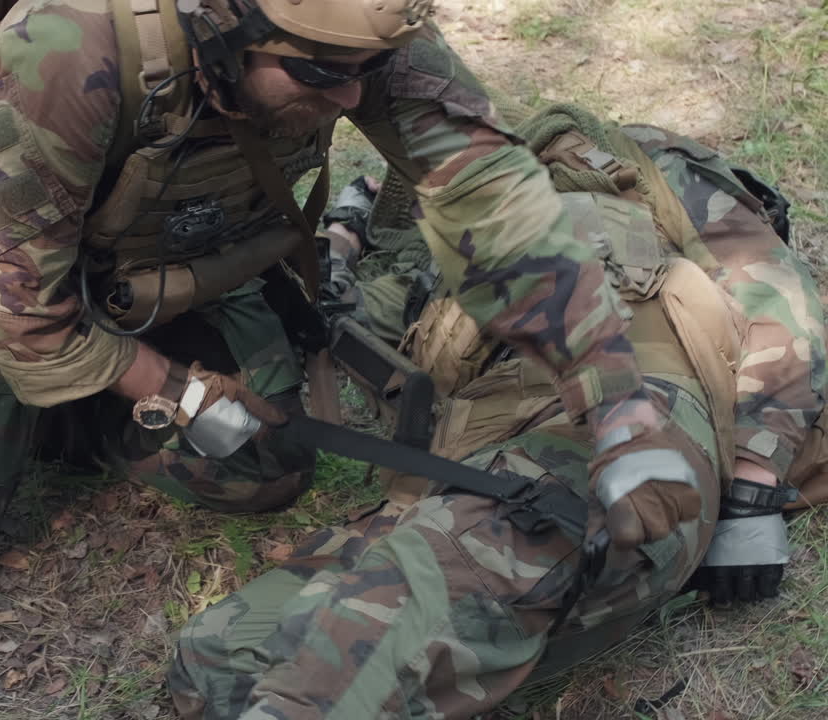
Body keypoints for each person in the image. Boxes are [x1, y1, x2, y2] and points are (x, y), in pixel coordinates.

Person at [0, 0, 695, 595]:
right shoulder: (68, 48)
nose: (351, 99)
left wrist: (616, 401)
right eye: (317, 75)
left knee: (261, 466)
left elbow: (497, 200)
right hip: (4, 271)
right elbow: (13, 298)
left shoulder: (348, 27)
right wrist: (174, 387)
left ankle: (56, 417)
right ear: (223, 26)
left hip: (165, 262)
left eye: (362, 72)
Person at [167, 107, 828, 719]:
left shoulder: (622, 165)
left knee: (342, 662)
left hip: (622, 428)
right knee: (217, 656)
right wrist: (342, 236)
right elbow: (346, 319)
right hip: (472, 470)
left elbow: (778, 292)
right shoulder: (439, 262)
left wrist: (753, 484)